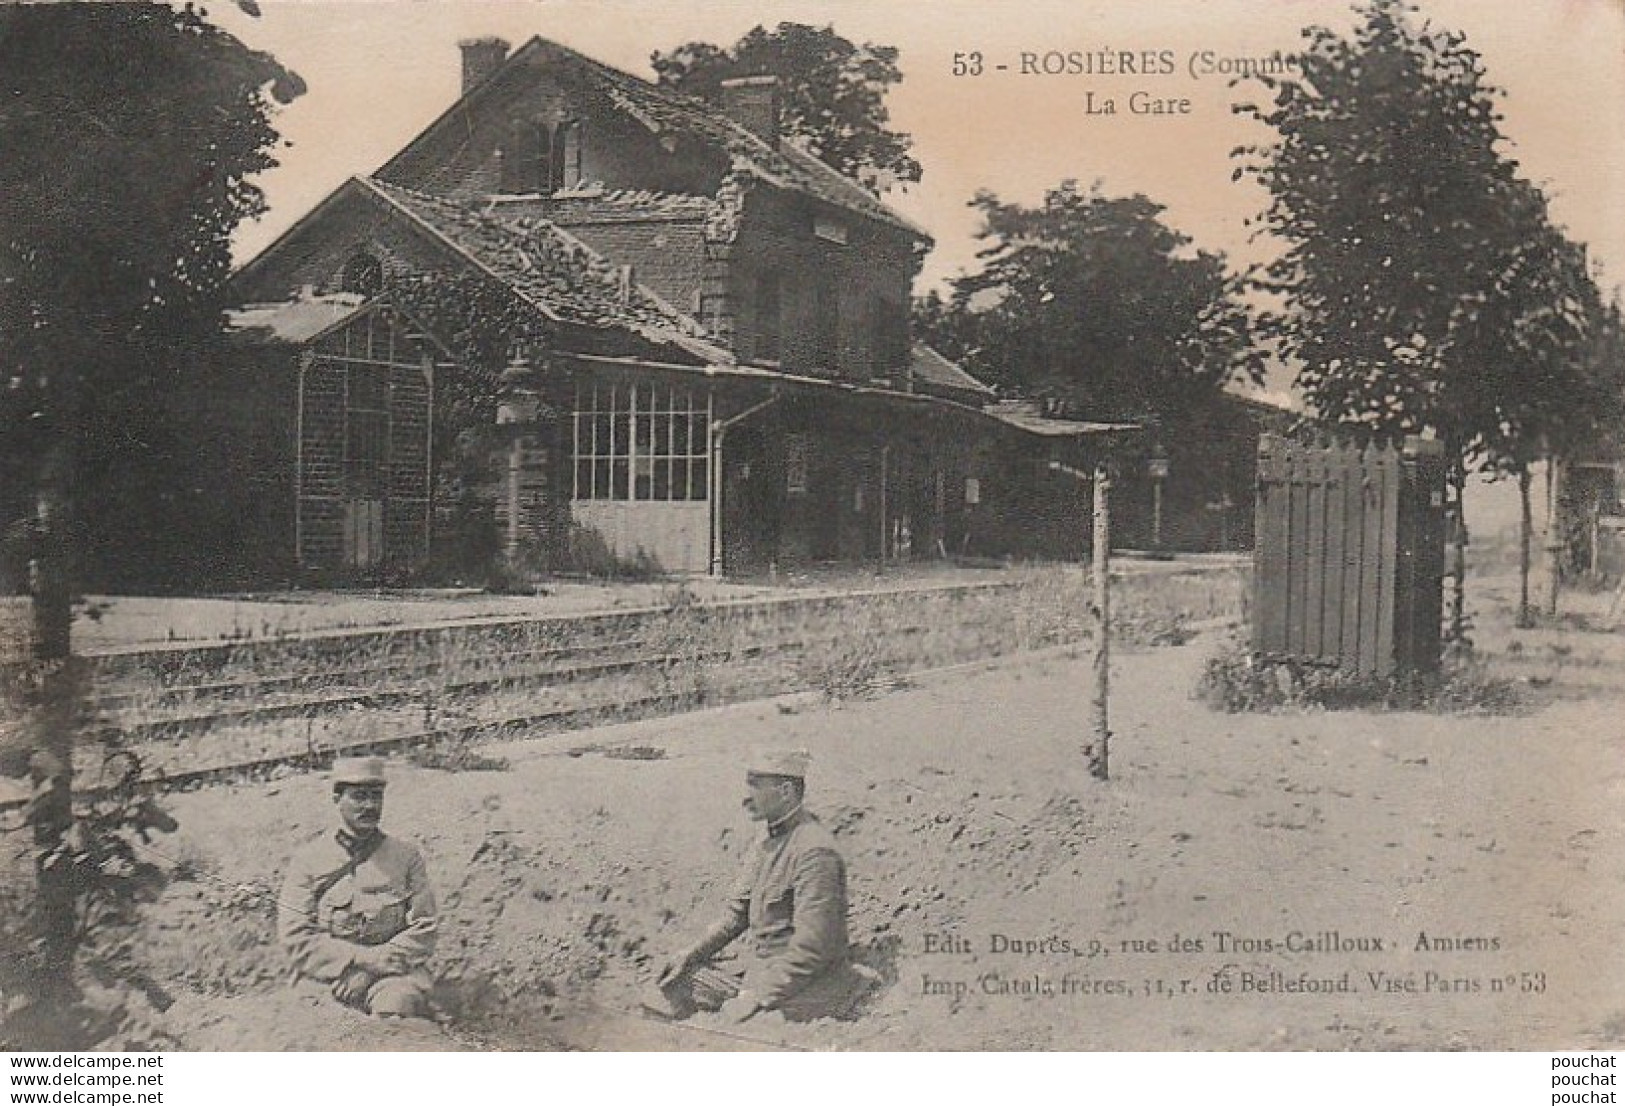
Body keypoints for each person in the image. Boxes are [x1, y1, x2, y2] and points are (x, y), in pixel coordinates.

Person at [652, 749, 875, 1023]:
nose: (746, 797)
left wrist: (756, 997)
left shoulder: (815, 852)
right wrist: (690, 954)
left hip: (805, 985)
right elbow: (737, 915)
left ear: (785, 791)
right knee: (668, 981)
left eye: (756, 786)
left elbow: (812, 949)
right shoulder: (766, 841)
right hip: (764, 971)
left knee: (725, 1018)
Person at [278, 756, 438, 1018]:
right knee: (313, 1021)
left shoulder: (406, 857)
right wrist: (355, 963)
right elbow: (295, 936)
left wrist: (372, 969)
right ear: (337, 798)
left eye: (376, 796)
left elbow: (425, 928)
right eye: (359, 796)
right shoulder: (308, 860)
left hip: (391, 976)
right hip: (326, 976)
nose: (369, 805)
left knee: (396, 1009)